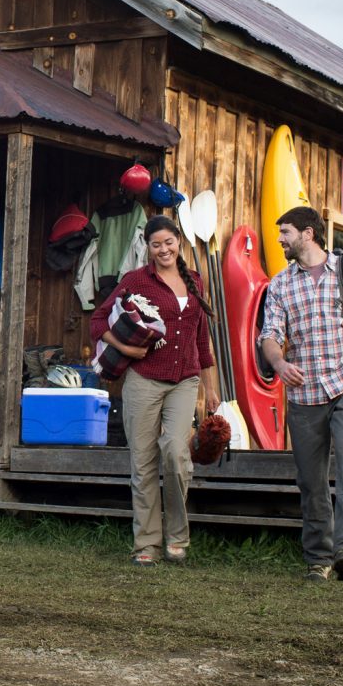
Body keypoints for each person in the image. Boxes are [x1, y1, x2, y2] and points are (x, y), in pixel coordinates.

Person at [258, 206, 343, 583]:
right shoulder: (281, 284)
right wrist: (280, 364)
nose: (281, 238)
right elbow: (269, 336)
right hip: (304, 393)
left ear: (307, 234)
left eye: (285, 232)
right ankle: (319, 557)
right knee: (311, 478)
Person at [92, 215, 217, 566]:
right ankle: (146, 544)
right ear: (148, 247)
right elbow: (98, 320)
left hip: (185, 381)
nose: (163, 249)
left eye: (168, 242)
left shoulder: (195, 281)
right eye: (156, 244)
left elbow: (201, 339)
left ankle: (177, 537)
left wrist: (209, 389)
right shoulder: (135, 280)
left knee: (176, 453)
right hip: (144, 380)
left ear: (179, 241)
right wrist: (128, 350)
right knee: (143, 463)